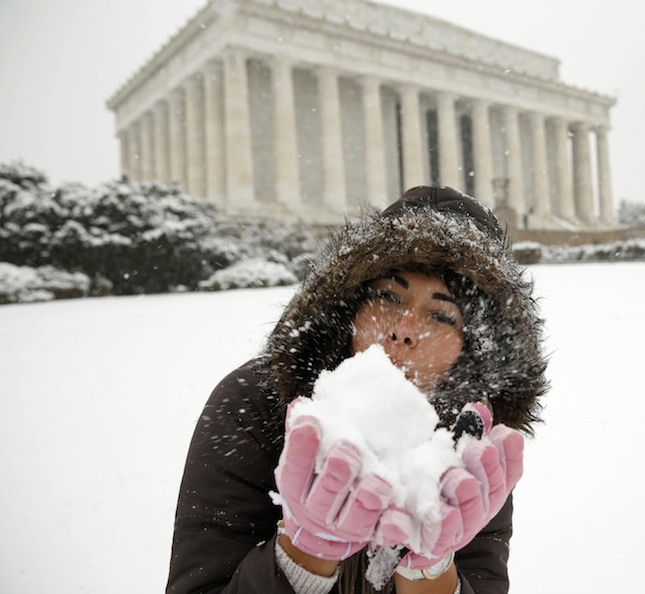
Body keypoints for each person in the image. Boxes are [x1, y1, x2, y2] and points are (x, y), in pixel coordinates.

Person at [166, 185, 548, 594]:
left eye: (439, 315)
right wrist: (305, 555)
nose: (403, 330)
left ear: (472, 348)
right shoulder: (252, 404)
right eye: (387, 296)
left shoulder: (474, 448)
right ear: (350, 305)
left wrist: (432, 571)